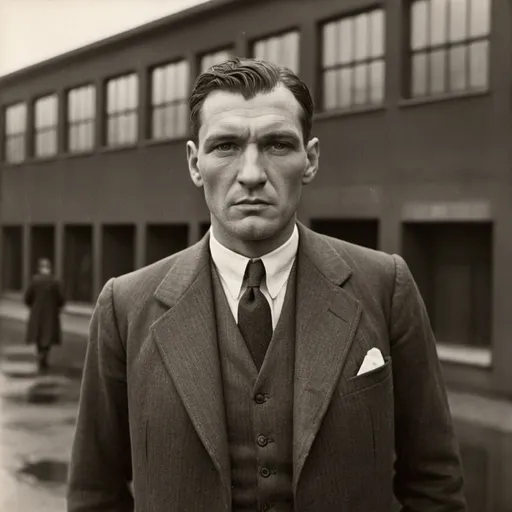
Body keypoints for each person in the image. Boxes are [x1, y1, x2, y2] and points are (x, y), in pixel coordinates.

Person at [67, 58, 467, 512]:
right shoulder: (125, 307)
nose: (252, 173)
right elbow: (94, 495)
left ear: (310, 160)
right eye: (226, 146)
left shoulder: (384, 286)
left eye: (277, 144)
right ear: (195, 164)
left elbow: (435, 485)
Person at [24, 258, 65, 373]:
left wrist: (32, 306)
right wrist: (57, 306)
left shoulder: (34, 280)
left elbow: (27, 297)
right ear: (49, 268)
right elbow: (61, 299)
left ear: (40, 268)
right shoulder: (55, 281)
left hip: (37, 313)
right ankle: (44, 355)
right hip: (51, 313)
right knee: (48, 335)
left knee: (38, 335)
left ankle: (40, 354)